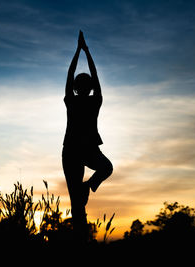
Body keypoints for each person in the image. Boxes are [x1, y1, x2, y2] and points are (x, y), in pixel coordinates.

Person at [62, 30, 113, 242]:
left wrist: (80, 51)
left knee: (105, 168)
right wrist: (83, 51)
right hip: (74, 151)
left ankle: (87, 186)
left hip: (86, 149)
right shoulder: (74, 100)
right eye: (80, 85)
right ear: (77, 88)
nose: (83, 87)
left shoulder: (93, 100)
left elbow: (72, 73)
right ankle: (80, 239)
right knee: (77, 203)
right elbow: (77, 74)